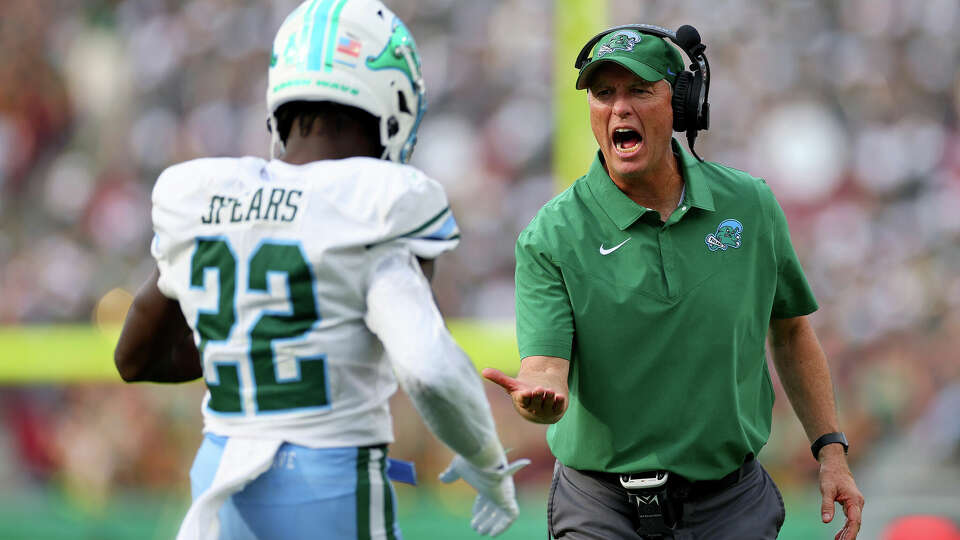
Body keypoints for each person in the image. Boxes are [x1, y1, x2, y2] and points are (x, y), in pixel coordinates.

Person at [114, 1, 527, 538]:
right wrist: (488, 462)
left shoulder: (205, 196)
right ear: (393, 99)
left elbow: (134, 356)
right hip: (328, 487)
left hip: (219, 490)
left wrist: (251, 346)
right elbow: (428, 366)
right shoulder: (376, 201)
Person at [483, 24, 864, 539]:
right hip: (600, 507)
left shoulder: (749, 206)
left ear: (682, 103)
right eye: (603, 93)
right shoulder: (551, 235)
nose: (619, 108)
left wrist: (831, 452)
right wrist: (541, 394)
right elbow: (546, 365)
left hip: (729, 504)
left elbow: (791, 331)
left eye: (639, 90)